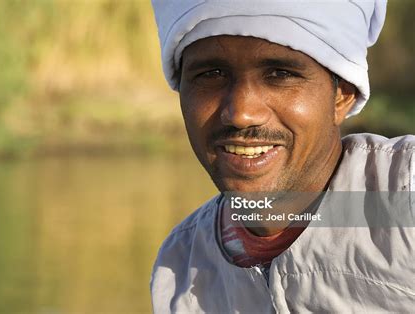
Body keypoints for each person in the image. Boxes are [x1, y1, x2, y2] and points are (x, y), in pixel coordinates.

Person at [150, 0, 415, 312]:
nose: (242, 113)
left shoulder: (404, 198)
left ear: (343, 93)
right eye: (212, 73)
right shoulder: (181, 268)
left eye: (279, 73)